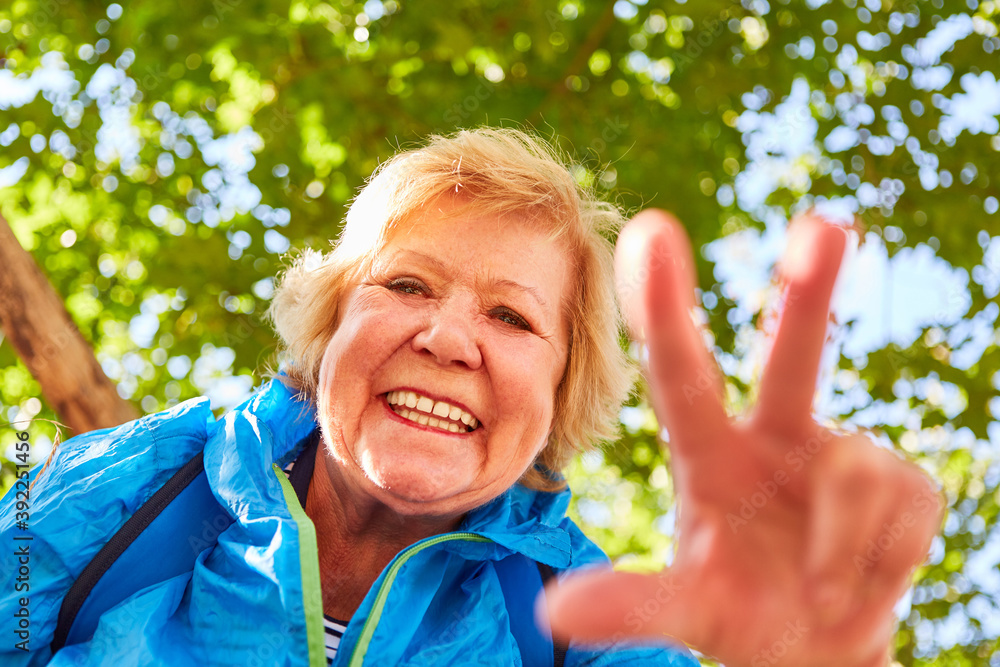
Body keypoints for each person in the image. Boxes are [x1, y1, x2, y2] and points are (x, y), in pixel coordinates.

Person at [0, 128, 940, 667]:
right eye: (406, 286)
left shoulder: (589, 632)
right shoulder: (128, 495)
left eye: (512, 318)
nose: (447, 338)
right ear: (329, 329)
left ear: (559, 397)